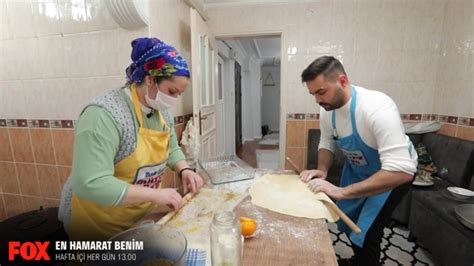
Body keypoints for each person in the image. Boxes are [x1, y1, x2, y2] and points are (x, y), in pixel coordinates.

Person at [58, 37, 204, 241]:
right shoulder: (103, 115)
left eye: (179, 94)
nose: (174, 100)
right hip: (97, 228)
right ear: (150, 78)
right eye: (172, 92)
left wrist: (184, 168)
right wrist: (155, 195)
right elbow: (90, 183)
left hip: (136, 222)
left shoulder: (161, 111)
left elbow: (170, 146)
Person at [299, 56, 417, 266]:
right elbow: (326, 142)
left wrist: (341, 191)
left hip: (391, 175)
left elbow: (402, 170)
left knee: (367, 229)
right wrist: (322, 170)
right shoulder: (327, 111)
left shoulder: (376, 108)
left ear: (342, 81)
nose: (317, 100)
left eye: (321, 92)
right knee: (348, 219)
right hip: (358, 170)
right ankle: (359, 261)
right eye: (313, 94)